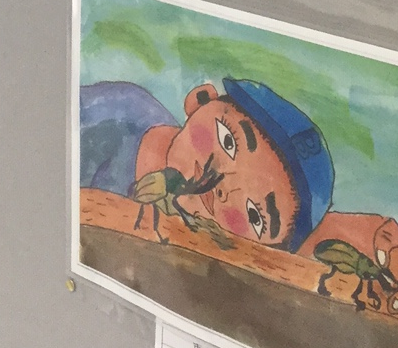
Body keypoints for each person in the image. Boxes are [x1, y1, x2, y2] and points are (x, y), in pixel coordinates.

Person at [81, 77, 334, 252]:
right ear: (199, 99)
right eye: (228, 142)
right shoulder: (116, 115)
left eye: (255, 217)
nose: (224, 188)